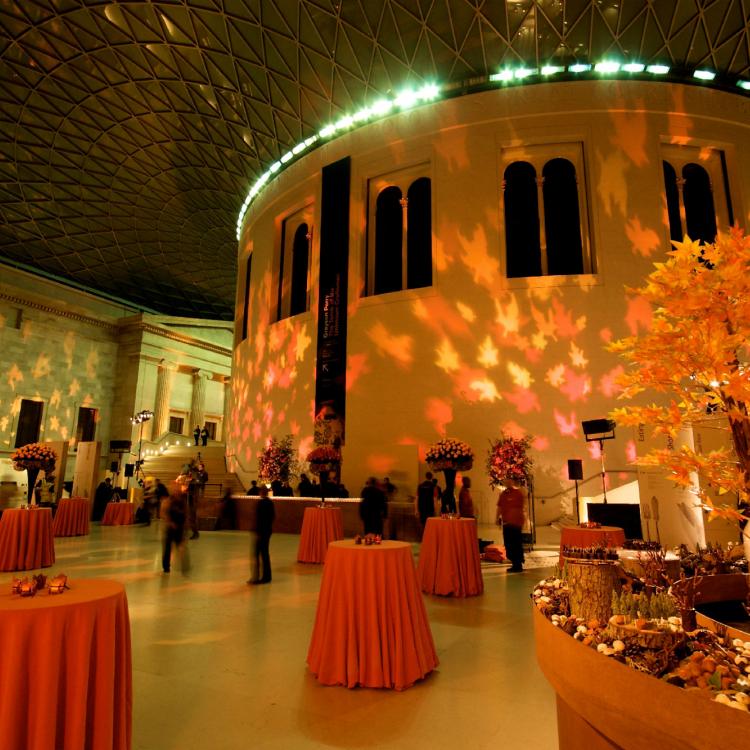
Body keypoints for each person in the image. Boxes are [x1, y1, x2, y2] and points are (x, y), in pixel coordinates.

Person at [497, 480, 527, 572]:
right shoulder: (504, 494)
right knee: (509, 544)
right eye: (506, 481)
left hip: (515, 522)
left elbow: (523, 506)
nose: (508, 483)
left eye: (509, 481)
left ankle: (517, 564)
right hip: (507, 522)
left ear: (512, 482)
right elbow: (500, 507)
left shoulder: (518, 493)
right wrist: (497, 517)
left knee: (516, 543)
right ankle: (515, 563)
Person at [248, 486, 275, 584]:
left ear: (261, 492)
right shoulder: (270, 503)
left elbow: (258, 519)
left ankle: (256, 577)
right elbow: (272, 517)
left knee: (256, 554)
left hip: (260, 532)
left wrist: (256, 530)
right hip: (267, 531)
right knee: (265, 554)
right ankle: (267, 577)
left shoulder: (260, 503)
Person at [162, 482, 188, 573]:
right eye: (174, 488)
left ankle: (185, 566)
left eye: (177, 488)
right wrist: (170, 522)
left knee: (181, 547)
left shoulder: (182, 501)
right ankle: (166, 566)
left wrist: (185, 524)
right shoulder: (169, 500)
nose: (176, 490)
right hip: (171, 527)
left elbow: (185, 512)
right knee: (168, 547)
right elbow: (164, 512)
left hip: (179, 526)